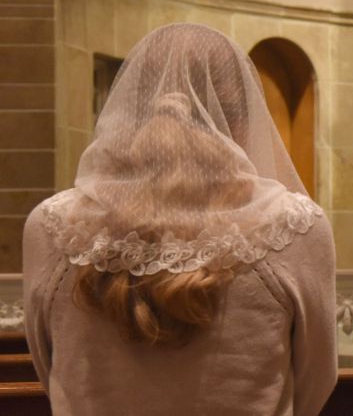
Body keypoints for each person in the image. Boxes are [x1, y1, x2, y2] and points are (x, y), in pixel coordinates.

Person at [22, 24, 337, 415]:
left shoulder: (52, 226)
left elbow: (48, 365)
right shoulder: (297, 228)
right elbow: (315, 381)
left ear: (123, 112)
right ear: (241, 122)